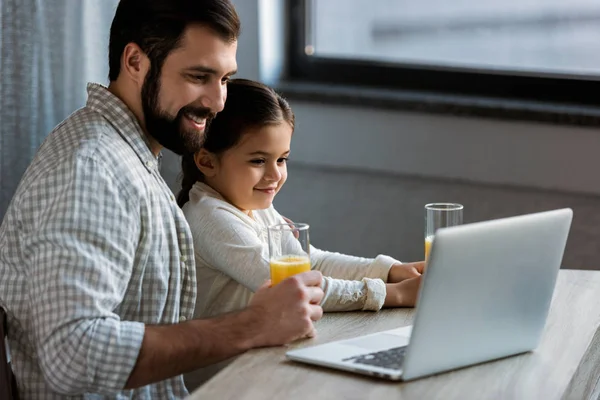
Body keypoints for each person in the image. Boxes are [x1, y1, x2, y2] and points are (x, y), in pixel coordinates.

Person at [0, 1, 325, 398]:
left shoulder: (127, 155)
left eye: (224, 79)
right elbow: (73, 353)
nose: (217, 102)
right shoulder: (92, 170)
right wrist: (253, 325)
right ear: (135, 61)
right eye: (198, 76)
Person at [178, 79, 424, 385]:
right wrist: (391, 294)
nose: (275, 175)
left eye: (282, 159)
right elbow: (293, 288)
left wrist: (391, 271)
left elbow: (309, 263)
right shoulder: (210, 217)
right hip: (227, 381)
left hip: (264, 361)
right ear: (206, 161)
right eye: (258, 160)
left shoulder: (252, 205)